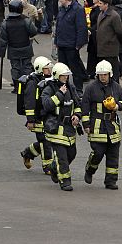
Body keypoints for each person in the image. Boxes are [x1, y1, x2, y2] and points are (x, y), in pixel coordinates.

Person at [81, 60, 122, 190]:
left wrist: (117, 106)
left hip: (112, 126)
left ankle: (111, 181)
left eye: (105, 74)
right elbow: (84, 106)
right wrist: (86, 124)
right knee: (98, 153)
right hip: (97, 126)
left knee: (113, 155)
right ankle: (90, 170)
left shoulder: (116, 87)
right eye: (100, 74)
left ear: (110, 74)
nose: (103, 76)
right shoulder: (91, 88)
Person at [41, 62, 82, 191]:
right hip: (56, 127)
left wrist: (76, 115)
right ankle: (65, 181)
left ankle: (54, 168)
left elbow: (77, 103)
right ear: (57, 76)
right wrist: (59, 94)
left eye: (67, 76)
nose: (66, 78)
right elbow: (47, 105)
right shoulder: (49, 88)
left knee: (72, 154)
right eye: (63, 76)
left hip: (69, 128)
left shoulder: (71, 88)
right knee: (62, 157)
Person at [20, 56, 55, 176]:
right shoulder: (32, 83)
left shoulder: (48, 80)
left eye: (50, 68)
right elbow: (29, 103)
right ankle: (48, 166)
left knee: (46, 141)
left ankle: (28, 153)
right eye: (46, 69)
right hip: (37, 118)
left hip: (47, 116)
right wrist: (30, 120)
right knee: (45, 142)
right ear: (40, 69)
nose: (49, 71)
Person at [0, 0, 37, 93]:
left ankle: (17, 87)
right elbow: (33, 31)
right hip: (26, 47)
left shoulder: (6, 23)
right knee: (27, 67)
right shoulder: (25, 21)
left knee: (15, 68)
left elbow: (3, 40)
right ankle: (28, 85)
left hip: (13, 49)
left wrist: (2, 53)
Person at [54, 0, 88, 92]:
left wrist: (78, 44)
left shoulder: (77, 10)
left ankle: (78, 89)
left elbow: (81, 28)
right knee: (62, 70)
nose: (60, 1)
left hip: (71, 45)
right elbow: (58, 26)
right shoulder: (62, 10)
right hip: (62, 44)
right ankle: (64, 88)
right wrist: (56, 41)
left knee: (75, 69)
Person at [94, 0, 122, 80]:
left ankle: (115, 90)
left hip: (110, 49)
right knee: (103, 71)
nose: (98, 5)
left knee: (113, 72)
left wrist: (116, 42)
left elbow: (120, 32)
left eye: (100, 3)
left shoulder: (114, 16)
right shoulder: (101, 14)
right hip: (102, 48)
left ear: (106, 4)